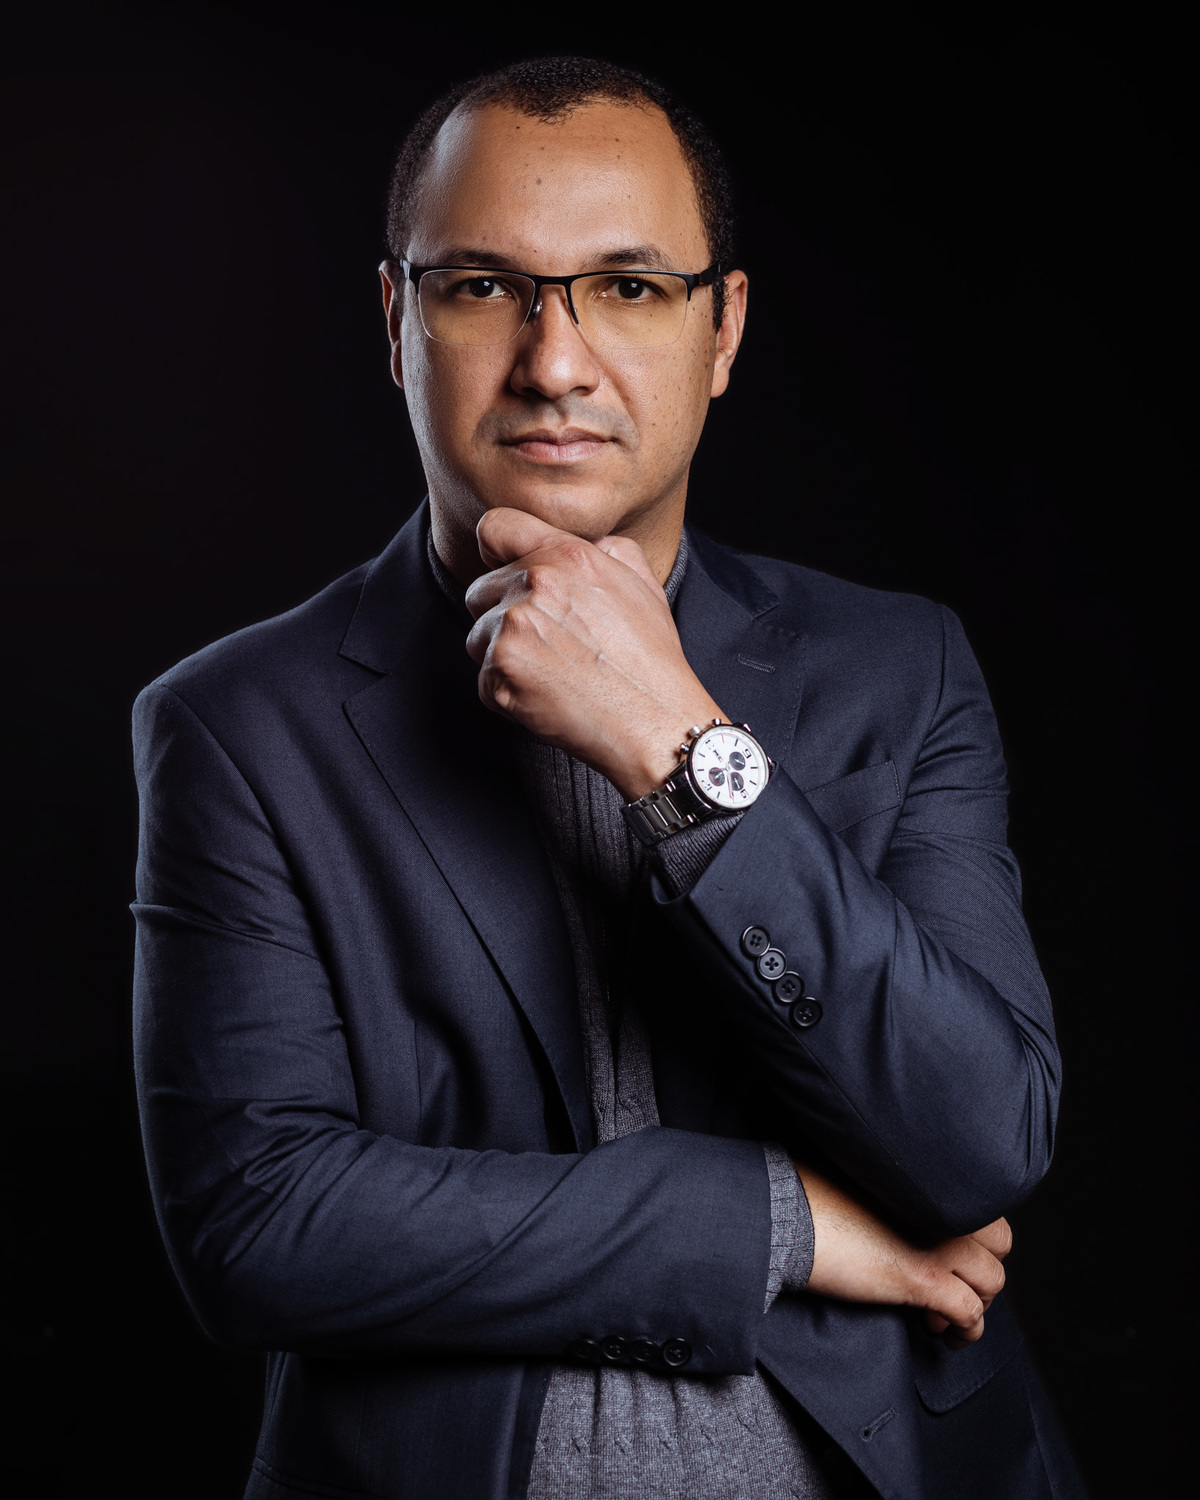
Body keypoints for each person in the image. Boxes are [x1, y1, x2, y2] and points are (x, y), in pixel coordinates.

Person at [132, 56, 1087, 1500]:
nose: (555, 364)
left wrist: (673, 744)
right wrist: (778, 1221)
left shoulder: (903, 668)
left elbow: (980, 1137)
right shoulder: (233, 726)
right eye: (482, 286)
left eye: (628, 288)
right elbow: (261, 1227)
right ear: (395, 322)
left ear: (723, 328)